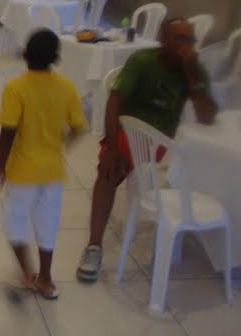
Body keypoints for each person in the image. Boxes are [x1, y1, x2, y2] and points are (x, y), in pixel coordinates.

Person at [76, 18, 218, 283]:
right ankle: (94, 246)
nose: (186, 46)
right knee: (107, 173)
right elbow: (114, 102)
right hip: (129, 133)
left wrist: (192, 76)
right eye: (180, 39)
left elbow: (207, 117)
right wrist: (111, 147)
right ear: (163, 40)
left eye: (190, 40)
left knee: (199, 170)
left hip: (165, 140)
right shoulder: (143, 61)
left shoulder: (194, 69)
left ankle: (183, 232)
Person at [0, 30, 88, 300]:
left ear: (24, 55)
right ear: (56, 59)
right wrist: (61, 145)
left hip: (22, 173)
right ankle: (46, 279)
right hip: (53, 172)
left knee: (14, 221)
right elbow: (79, 127)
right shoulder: (66, 87)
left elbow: (8, 130)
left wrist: (0, 170)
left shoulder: (16, 87)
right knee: (47, 224)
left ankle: (27, 274)